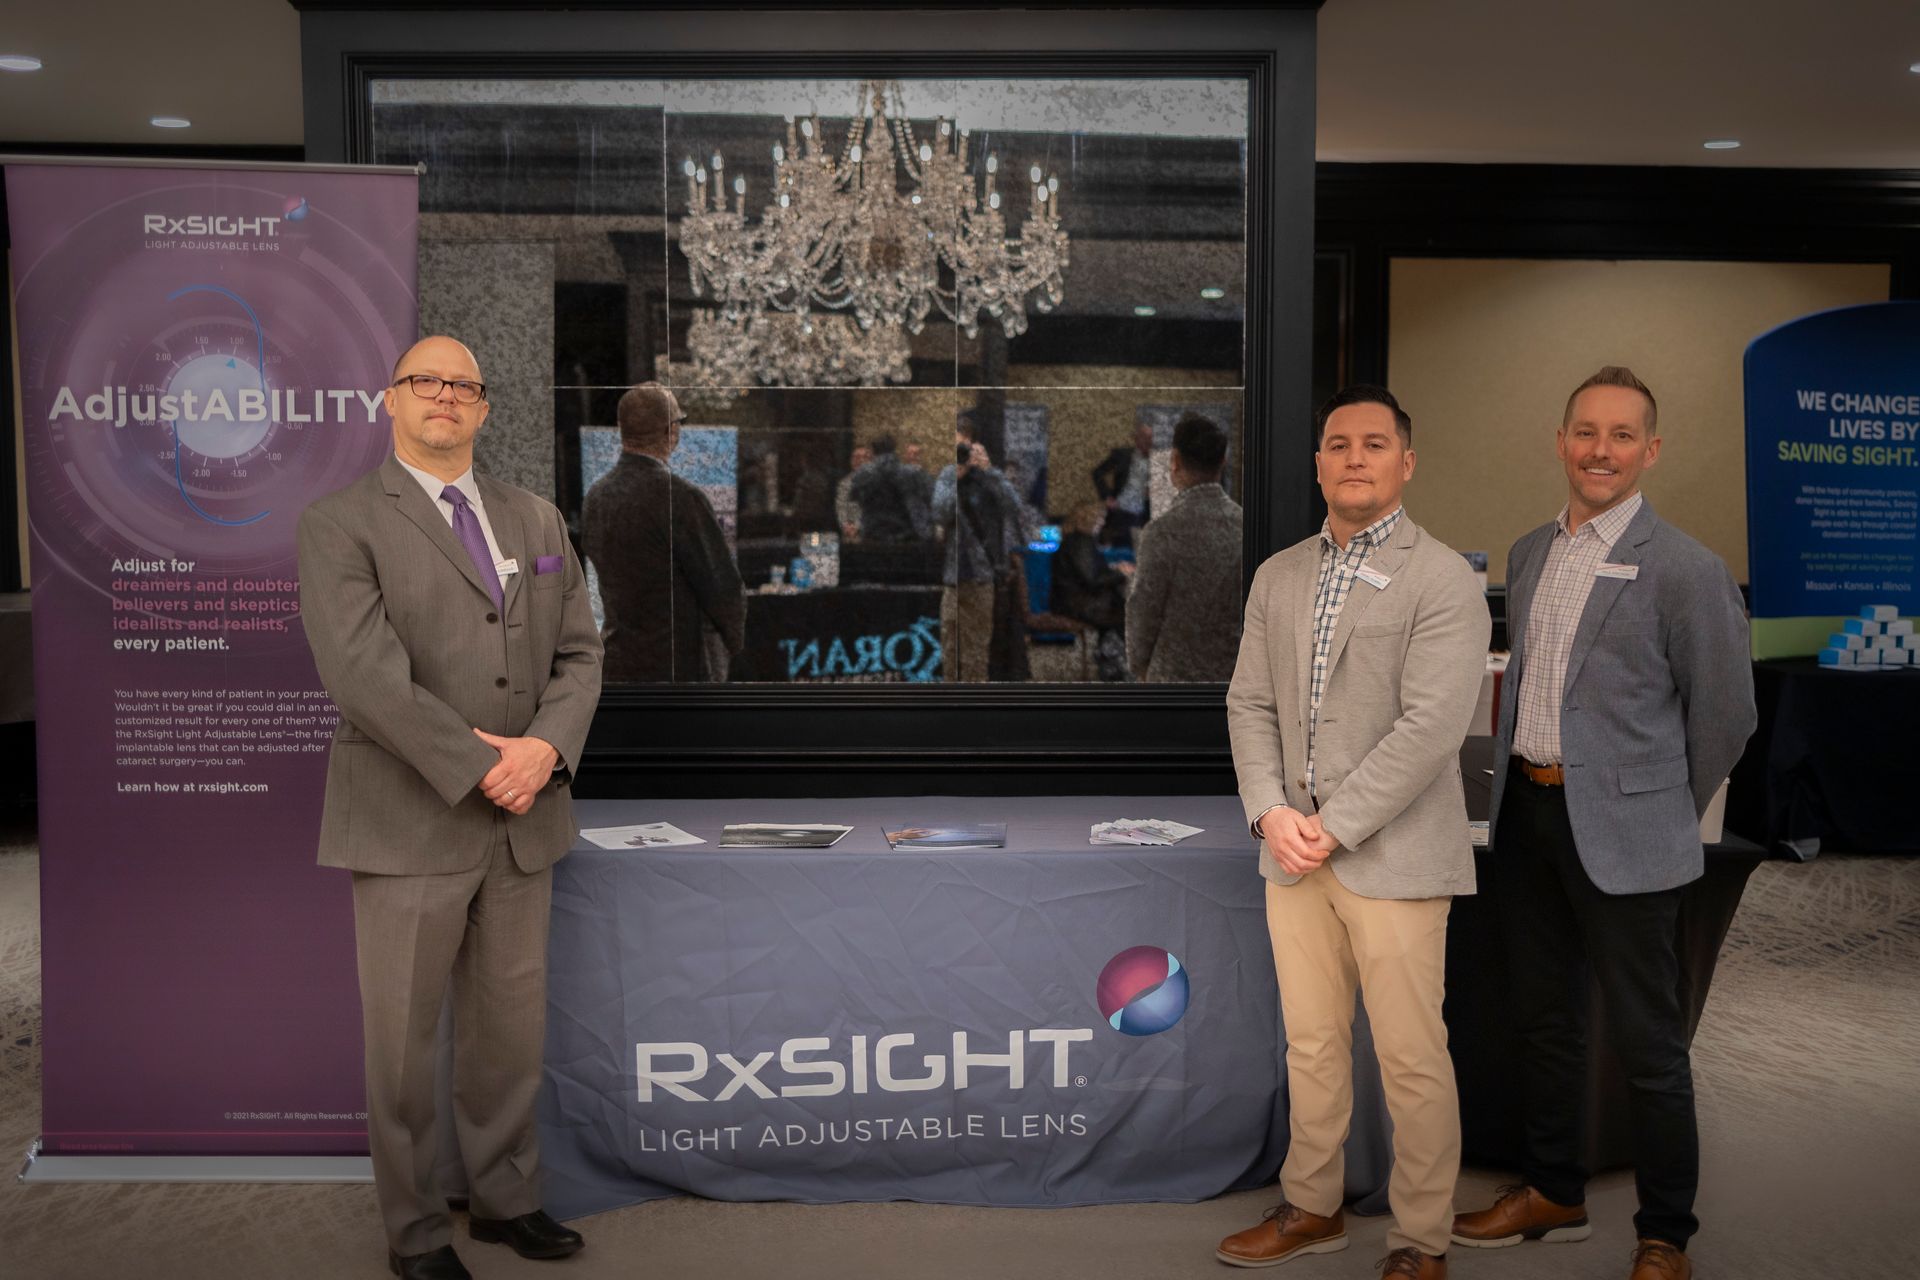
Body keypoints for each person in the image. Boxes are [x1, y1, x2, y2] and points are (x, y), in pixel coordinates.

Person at [297, 336, 603, 1280]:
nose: (444, 397)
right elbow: (363, 678)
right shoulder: (341, 522)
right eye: (423, 382)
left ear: (484, 409)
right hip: (407, 818)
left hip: (522, 823)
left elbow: (581, 655)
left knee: (508, 1035)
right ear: (388, 401)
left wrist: (545, 752)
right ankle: (416, 1232)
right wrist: (485, 766)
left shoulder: (538, 518)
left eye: (462, 386)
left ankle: (506, 1200)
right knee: (401, 1047)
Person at [1450, 367, 1755, 1280]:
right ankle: (1554, 1191)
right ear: (1561, 440)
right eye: (1586, 431)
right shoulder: (1530, 550)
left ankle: (1666, 1231)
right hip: (1529, 818)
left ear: (1650, 451)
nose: (1601, 450)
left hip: (1629, 838)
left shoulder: (1688, 570)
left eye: (1623, 435)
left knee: (1649, 1044)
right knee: (1544, 1020)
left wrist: (1657, 803)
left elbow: (1726, 719)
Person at [1219, 385, 1487, 1280]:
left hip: (1395, 858)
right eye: (1339, 444)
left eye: (1375, 444)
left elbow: (1430, 728)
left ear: (1405, 463)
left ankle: (1421, 1239)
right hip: (1289, 853)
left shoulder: (1444, 577)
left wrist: (1328, 827)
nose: (1355, 458)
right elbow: (1249, 703)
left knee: (1412, 1057)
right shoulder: (1279, 575)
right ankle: (1313, 1205)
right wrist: (1269, 812)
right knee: (1311, 1042)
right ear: (1320, 463)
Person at [582, 382, 746, 683]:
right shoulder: (680, 498)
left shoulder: (596, 496)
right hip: (677, 669)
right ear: (672, 432)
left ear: (622, 430)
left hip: (618, 666)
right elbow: (722, 587)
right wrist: (736, 652)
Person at [1126, 413, 1243, 682]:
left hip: (1172, 679)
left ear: (1174, 462)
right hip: (1233, 674)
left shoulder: (1162, 531)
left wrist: (1140, 667)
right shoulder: (1244, 526)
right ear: (1222, 463)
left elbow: (1144, 609)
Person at [932, 420, 1027, 682]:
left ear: (974, 445)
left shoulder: (988, 478)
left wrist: (990, 470)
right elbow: (939, 513)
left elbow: (1014, 506)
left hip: (981, 574)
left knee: (975, 651)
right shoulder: (947, 476)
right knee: (949, 647)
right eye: (955, 448)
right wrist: (957, 477)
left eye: (963, 447)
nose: (959, 453)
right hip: (953, 577)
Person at [1051, 501, 1132, 681]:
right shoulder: (1081, 542)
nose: (1102, 522)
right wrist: (1120, 573)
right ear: (1089, 519)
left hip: (1072, 600)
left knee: (1121, 611)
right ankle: (1113, 665)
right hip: (1079, 603)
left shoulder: (1075, 540)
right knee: (1128, 615)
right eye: (1100, 518)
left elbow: (1087, 573)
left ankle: (1110, 661)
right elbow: (1092, 580)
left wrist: (1113, 569)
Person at [848, 434, 934, 543]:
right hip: (906, 537)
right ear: (894, 449)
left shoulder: (862, 474)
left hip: (873, 535)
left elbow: (854, 502)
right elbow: (927, 504)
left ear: (873, 451)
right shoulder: (913, 473)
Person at [1091, 421, 1155, 547]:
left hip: (1145, 512)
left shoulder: (1159, 459)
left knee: (1141, 548)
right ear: (1136, 438)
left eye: (1151, 438)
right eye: (1145, 437)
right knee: (1116, 545)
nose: (1149, 441)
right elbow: (1097, 473)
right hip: (1121, 508)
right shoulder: (1122, 455)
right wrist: (1106, 497)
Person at [836, 443, 872, 541]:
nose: (860, 461)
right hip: (850, 535)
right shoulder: (844, 483)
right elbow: (841, 507)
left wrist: (858, 526)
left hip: (871, 534)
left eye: (864, 457)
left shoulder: (877, 482)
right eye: (856, 457)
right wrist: (845, 526)